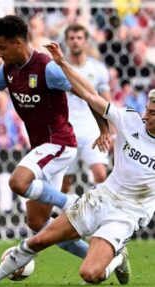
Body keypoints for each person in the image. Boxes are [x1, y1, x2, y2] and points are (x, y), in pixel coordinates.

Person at [0, 43, 155, 287]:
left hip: (128, 213)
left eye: (153, 113)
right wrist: (62, 63)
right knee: (39, 239)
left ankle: (115, 257)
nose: (146, 115)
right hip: (102, 198)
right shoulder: (131, 120)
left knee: (90, 274)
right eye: (148, 109)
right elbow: (91, 96)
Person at [0, 16, 110, 260]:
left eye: (2, 47)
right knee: (38, 223)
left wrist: (104, 129)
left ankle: (72, 202)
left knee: (18, 182)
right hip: (43, 147)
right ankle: (99, 256)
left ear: (18, 43)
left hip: (59, 142)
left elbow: (88, 94)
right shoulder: (8, 70)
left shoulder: (47, 68)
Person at [62, 24, 110, 194]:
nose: (75, 42)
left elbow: (106, 101)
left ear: (86, 41)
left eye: (79, 38)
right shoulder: (60, 68)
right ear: (66, 41)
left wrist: (109, 130)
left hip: (92, 130)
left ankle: (99, 214)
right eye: (72, 38)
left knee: (100, 174)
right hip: (67, 131)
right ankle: (64, 216)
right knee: (65, 182)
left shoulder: (98, 69)